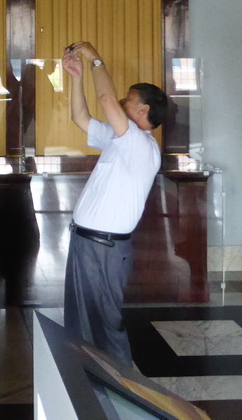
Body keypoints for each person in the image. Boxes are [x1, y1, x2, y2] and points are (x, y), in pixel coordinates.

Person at [60, 40, 167, 368]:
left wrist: (96, 59)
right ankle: (89, 384)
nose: (120, 102)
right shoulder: (121, 140)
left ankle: (124, 391)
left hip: (104, 248)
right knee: (81, 322)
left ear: (142, 110)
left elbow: (106, 98)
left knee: (107, 325)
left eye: (129, 99)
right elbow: (81, 117)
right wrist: (77, 77)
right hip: (86, 242)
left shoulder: (140, 145)